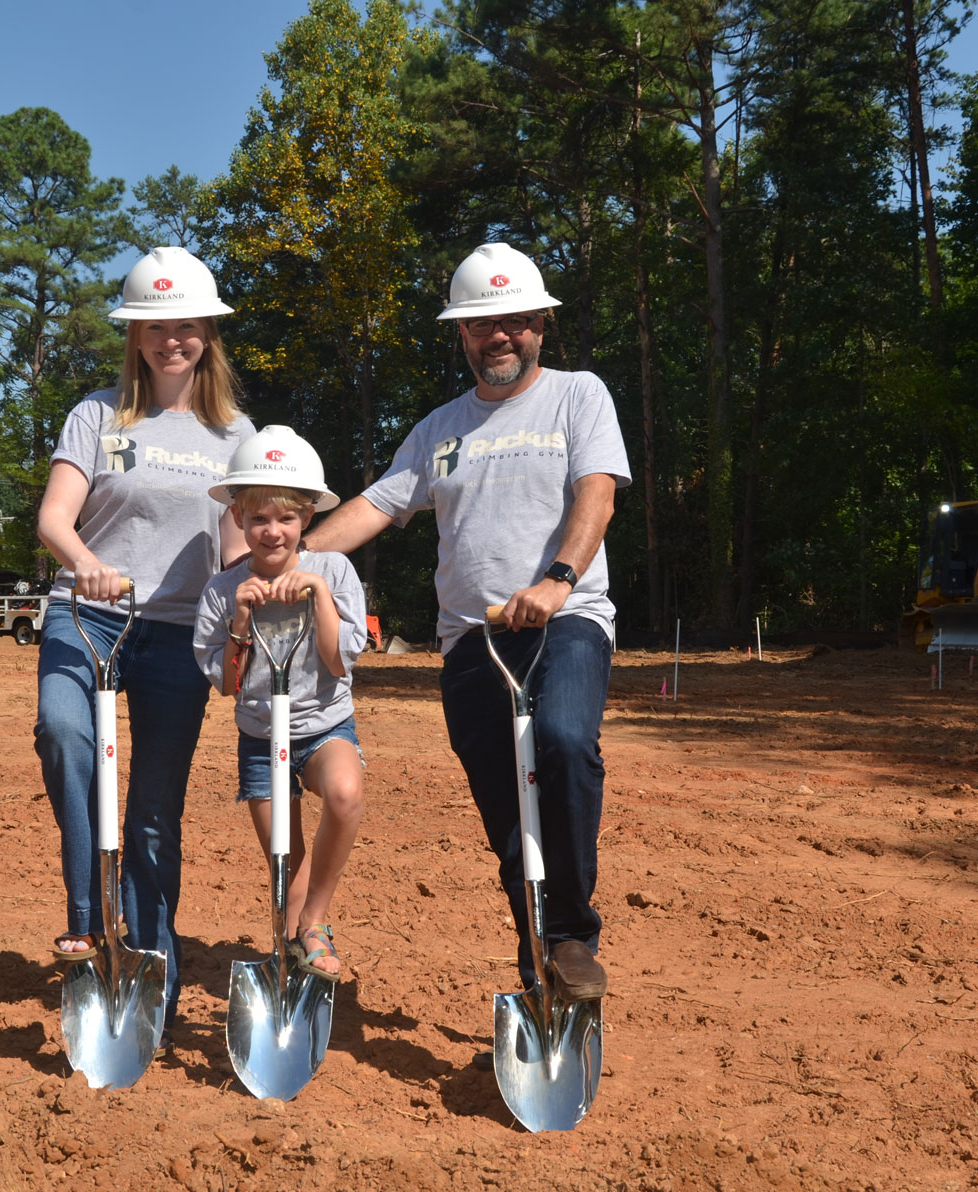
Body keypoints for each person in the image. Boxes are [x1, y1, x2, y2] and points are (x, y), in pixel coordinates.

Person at [301, 243, 628, 1003]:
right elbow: (376, 506)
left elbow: (598, 496)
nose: (500, 335)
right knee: (508, 812)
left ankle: (572, 933)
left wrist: (556, 580)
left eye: (515, 319)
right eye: (483, 324)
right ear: (462, 336)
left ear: (541, 322)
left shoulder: (579, 397)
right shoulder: (438, 429)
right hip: (471, 641)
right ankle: (538, 954)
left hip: (566, 620)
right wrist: (288, 559)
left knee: (565, 745)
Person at [34, 246, 254, 1037]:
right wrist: (88, 567)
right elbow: (55, 518)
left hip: (173, 631)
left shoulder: (235, 434)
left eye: (187, 325)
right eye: (156, 325)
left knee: (156, 808)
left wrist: (249, 595)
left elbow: (236, 547)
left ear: (207, 333)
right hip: (89, 614)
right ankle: (89, 921)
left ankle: (151, 964)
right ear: (134, 333)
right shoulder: (97, 415)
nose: (172, 339)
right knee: (65, 736)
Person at [193, 427, 367, 979]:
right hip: (261, 734)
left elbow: (340, 663)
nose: (272, 532)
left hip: (323, 725)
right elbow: (226, 683)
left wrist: (318, 596)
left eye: (286, 518)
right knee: (285, 861)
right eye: (259, 519)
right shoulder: (222, 591)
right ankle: (290, 952)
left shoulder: (335, 572)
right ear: (239, 520)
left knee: (344, 793)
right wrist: (241, 620)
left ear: (307, 519)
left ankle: (314, 922)